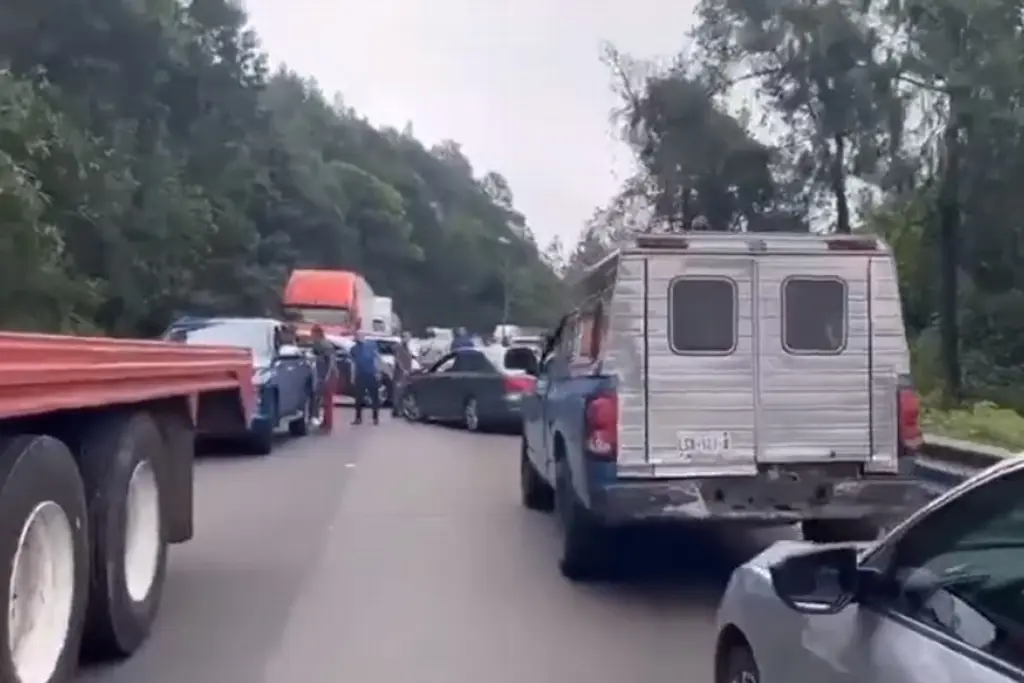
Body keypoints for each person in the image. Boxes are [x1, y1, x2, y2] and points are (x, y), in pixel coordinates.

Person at [308, 325, 338, 433]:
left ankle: (328, 424)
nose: (311, 335)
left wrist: (327, 377)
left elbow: (331, 362)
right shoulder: (318, 344)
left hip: (329, 376)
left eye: (312, 333)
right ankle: (325, 422)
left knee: (328, 401)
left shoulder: (325, 345)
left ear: (317, 333)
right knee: (324, 400)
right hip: (323, 375)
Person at [349, 330, 381, 425]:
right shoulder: (354, 349)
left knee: (374, 397)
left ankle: (375, 418)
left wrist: (377, 371)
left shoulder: (371, 345)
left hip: (371, 374)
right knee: (359, 397)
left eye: (359, 335)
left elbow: (376, 359)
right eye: (357, 335)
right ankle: (358, 418)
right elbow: (353, 363)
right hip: (361, 374)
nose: (358, 337)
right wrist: (352, 375)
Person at [391, 331, 414, 417]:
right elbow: (398, 360)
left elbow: (408, 358)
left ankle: (400, 410)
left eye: (409, 337)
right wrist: (403, 369)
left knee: (402, 391)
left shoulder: (406, 347)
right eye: (407, 337)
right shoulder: (399, 347)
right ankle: (396, 410)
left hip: (406, 372)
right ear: (403, 338)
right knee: (398, 391)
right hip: (400, 373)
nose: (409, 339)